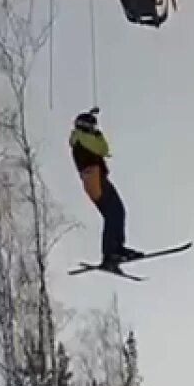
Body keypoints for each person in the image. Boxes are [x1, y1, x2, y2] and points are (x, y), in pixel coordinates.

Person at [69, 108, 143, 270]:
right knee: (114, 212)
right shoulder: (82, 137)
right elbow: (103, 149)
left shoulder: (80, 138)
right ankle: (111, 252)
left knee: (116, 212)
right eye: (92, 126)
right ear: (85, 126)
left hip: (93, 178)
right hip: (94, 177)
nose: (94, 129)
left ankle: (115, 249)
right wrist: (98, 135)